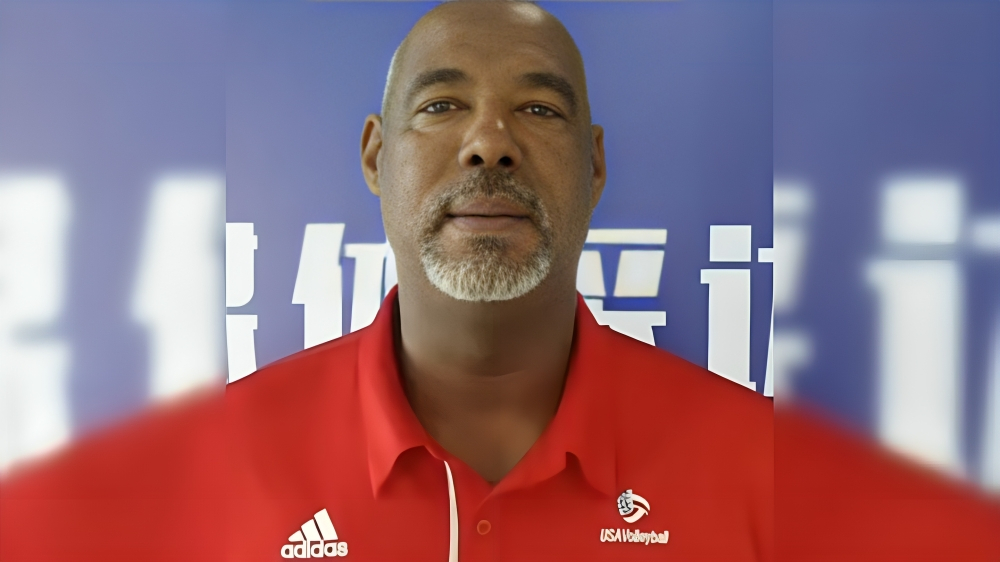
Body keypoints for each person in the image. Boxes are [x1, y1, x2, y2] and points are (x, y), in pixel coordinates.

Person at [225, 2, 772, 561]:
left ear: (594, 167)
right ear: (375, 157)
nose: (489, 144)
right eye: (441, 105)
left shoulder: (756, 462)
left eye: (539, 108)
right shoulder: (223, 456)